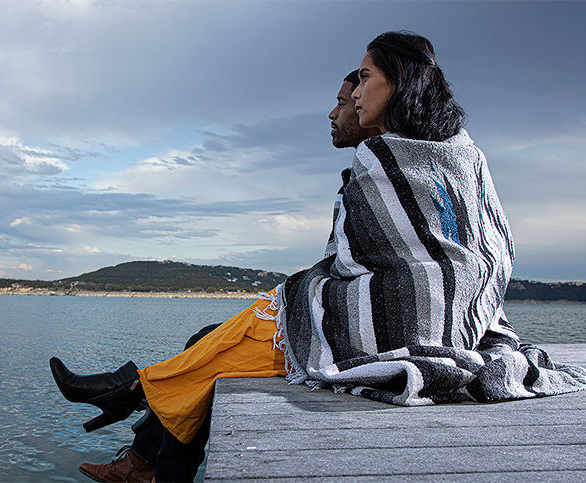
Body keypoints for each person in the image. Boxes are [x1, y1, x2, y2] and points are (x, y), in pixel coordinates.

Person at [51, 31, 586, 482]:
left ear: (399, 83)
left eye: (364, 78)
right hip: (453, 322)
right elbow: (469, 248)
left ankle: (136, 411)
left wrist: (322, 290)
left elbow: (414, 261)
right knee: (239, 328)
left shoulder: (390, 159)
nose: (353, 98)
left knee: (250, 326)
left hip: (404, 328)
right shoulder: (462, 156)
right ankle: (141, 444)